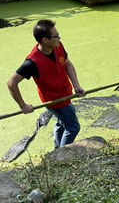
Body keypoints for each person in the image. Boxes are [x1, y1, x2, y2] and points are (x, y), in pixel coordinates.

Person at [7, 19, 85, 149]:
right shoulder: (32, 62)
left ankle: (56, 150)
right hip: (54, 101)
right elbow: (11, 83)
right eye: (56, 36)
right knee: (73, 127)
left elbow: (68, 64)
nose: (59, 38)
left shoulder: (58, 45)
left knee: (61, 124)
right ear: (45, 40)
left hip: (66, 94)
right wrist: (22, 105)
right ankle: (62, 154)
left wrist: (76, 85)